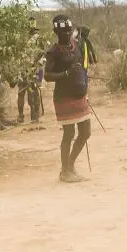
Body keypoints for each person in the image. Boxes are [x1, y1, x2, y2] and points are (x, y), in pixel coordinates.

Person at [43, 15, 91, 183]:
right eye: (64, 32)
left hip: (80, 94)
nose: (68, 34)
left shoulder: (76, 45)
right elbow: (47, 76)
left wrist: (86, 88)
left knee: (85, 133)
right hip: (64, 97)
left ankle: (69, 166)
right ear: (57, 33)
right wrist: (66, 73)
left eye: (69, 31)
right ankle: (65, 171)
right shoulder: (53, 52)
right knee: (69, 134)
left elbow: (82, 67)